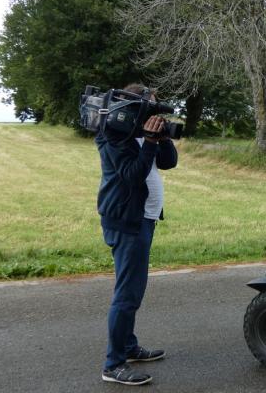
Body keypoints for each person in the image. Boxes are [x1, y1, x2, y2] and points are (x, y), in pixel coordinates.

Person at [96, 84, 178, 386]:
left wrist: (161, 138)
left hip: (143, 220)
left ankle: (128, 347)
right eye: (150, 107)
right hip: (127, 221)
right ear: (134, 107)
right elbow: (132, 174)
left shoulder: (139, 131)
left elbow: (168, 162)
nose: (154, 113)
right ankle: (114, 364)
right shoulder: (114, 133)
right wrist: (150, 143)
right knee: (128, 295)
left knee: (131, 290)